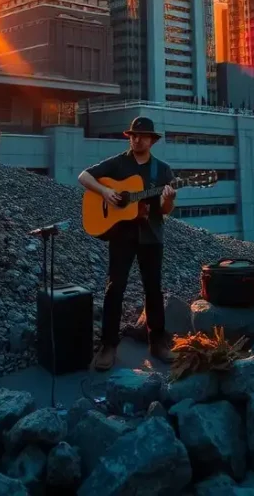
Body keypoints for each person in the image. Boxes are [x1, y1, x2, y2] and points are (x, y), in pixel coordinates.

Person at [78, 116, 176, 371]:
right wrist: (105, 192)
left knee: (153, 288)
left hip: (151, 236)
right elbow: (84, 176)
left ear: (152, 141)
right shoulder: (118, 163)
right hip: (122, 235)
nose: (137, 139)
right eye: (133, 135)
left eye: (142, 136)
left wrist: (168, 199)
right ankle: (108, 345)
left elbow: (165, 209)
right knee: (115, 288)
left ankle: (157, 341)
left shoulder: (162, 170)